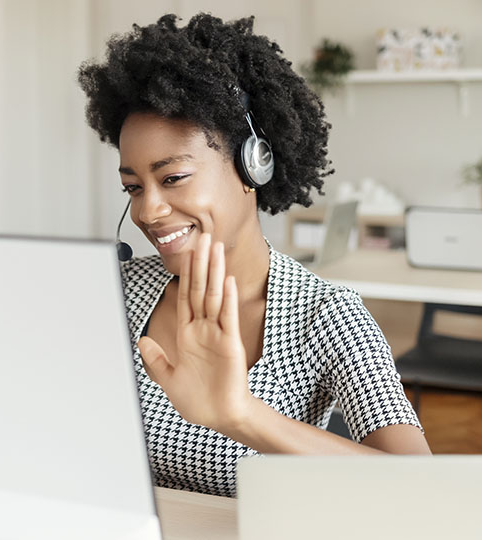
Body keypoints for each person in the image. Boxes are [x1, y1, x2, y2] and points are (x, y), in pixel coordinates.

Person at [78, 12, 430, 498]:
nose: (150, 211)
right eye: (133, 187)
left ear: (253, 166)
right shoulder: (116, 290)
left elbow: (421, 488)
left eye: (173, 177)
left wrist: (240, 415)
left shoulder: (326, 316)